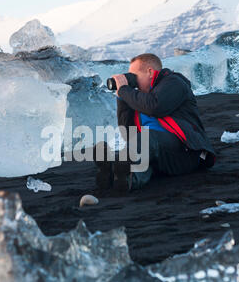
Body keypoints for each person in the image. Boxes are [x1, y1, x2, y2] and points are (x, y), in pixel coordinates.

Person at [93, 53, 217, 192]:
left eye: (134, 76)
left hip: (186, 153)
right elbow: (128, 134)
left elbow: (155, 107)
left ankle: (117, 169)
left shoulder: (174, 82)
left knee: (147, 139)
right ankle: (121, 179)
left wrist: (125, 90)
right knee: (141, 160)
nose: (133, 81)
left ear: (150, 72)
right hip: (158, 155)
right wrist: (122, 100)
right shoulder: (141, 98)